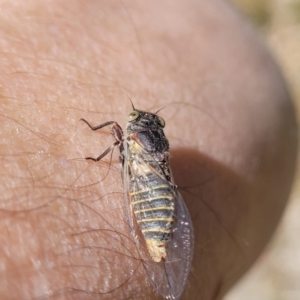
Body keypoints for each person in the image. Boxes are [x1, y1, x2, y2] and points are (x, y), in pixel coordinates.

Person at [0, 0, 297, 299]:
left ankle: (156, 248)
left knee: (131, 188)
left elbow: (117, 148)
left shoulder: (127, 136)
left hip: (144, 197)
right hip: (161, 190)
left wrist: (98, 139)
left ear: (134, 130)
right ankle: (163, 249)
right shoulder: (150, 141)